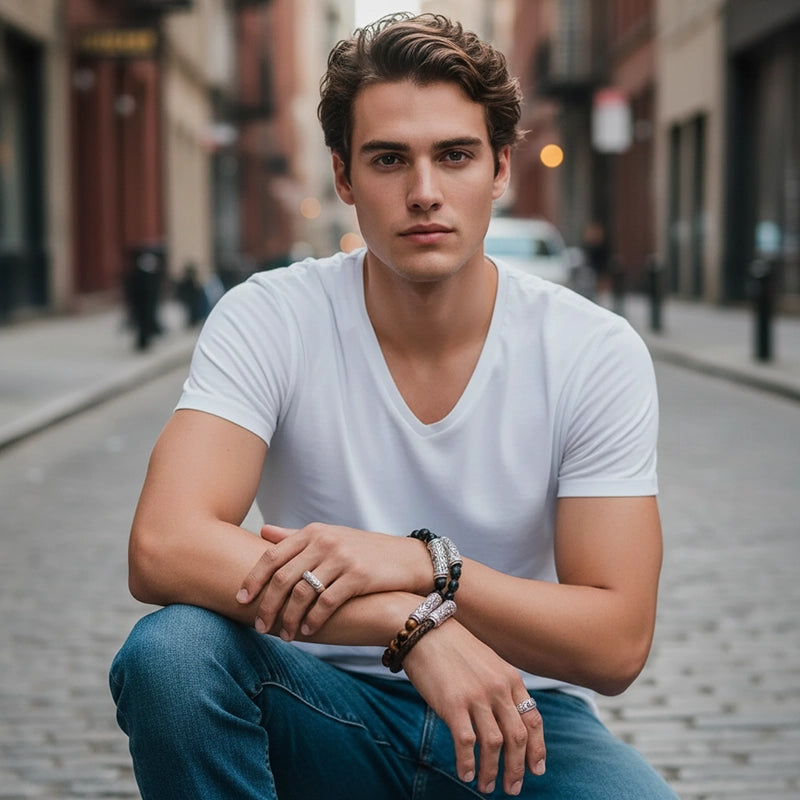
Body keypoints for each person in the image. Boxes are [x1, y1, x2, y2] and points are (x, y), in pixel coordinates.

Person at [109, 14, 677, 800]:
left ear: (500, 167)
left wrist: (427, 566)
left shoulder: (590, 349)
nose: (424, 193)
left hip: (517, 721)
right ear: (344, 177)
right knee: (171, 654)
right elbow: (164, 546)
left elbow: (615, 642)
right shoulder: (271, 315)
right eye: (388, 159)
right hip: (315, 708)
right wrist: (411, 626)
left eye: (454, 155)